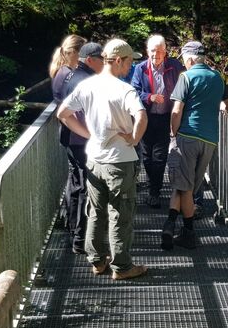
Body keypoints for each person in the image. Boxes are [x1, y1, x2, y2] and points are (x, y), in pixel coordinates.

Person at [56, 39, 149, 280]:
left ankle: (97, 261)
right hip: (119, 161)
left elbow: (62, 114)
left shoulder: (88, 86)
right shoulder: (123, 89)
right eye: (129, 61)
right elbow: (141, 115)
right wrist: (134, 138)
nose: (130, 67)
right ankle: (122, 267)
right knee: (120, 212)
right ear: (118, 60)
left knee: (96, 211)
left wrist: (89, 135)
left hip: (94, 159)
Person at [162, 41, 228, 250]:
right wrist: (220, 106)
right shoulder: (217, 78)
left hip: (187, 136)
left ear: (189, 59)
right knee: (186, 186)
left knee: (184, 188)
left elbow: (177, 110)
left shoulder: (186, 77)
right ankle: (170, 225)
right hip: (210, 140)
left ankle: (187, 234)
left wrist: (172, 133)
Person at [53, 41, 104, 255]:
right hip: (82, 141)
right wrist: (90, 135)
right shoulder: (87, 81)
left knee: (76, 184)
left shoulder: (68, 76)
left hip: (70, 140)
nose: (105, 64)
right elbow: (69, 113)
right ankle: (80, 238)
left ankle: (73, 229)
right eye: (102, 59)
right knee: (86, 187)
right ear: (91, 60)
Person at [130, 34, 185, 208]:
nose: (156, 55)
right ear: (147, 51)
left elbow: (186, 84)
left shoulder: (174, 66)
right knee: (146, 156)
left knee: (160, 157)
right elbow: (133, 91)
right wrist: (149, 97)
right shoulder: (140, 69)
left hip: (165, 118)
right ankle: (152, 185)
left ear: (165, 52)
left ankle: (155, 191)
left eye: (160, 51)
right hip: (145, 117)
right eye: (153, 51)